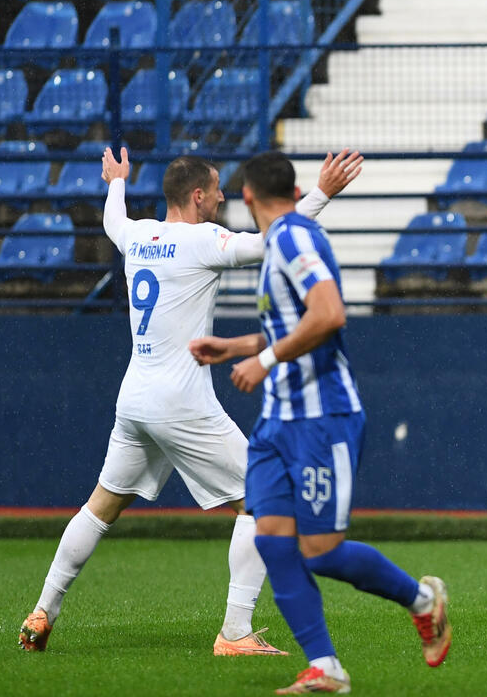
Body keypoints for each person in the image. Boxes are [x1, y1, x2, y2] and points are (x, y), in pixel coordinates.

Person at [19, 145, 363, 656]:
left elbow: (114, 217)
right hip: (181, 401)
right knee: (263, 500)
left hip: (135, 397)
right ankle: (236, 633)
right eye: (218, 189)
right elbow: (271, 242)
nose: (224, 196)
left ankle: (42, 611)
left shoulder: (137, 233)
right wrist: (322, 194)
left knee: (101, 507)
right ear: (198, 196)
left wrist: (117, 180)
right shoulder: (202, 241)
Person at [188, 151, 451, 694]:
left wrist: (262, 361)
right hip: (276, 425)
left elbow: (329, 315)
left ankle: (423, 601)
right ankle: (324, 666)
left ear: (247, 198)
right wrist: (236, 346)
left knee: (321, 551)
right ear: (295, 187)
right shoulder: (289, 239)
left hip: (321, 418)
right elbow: (296, 324)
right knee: (274, 543)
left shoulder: (291, 239)